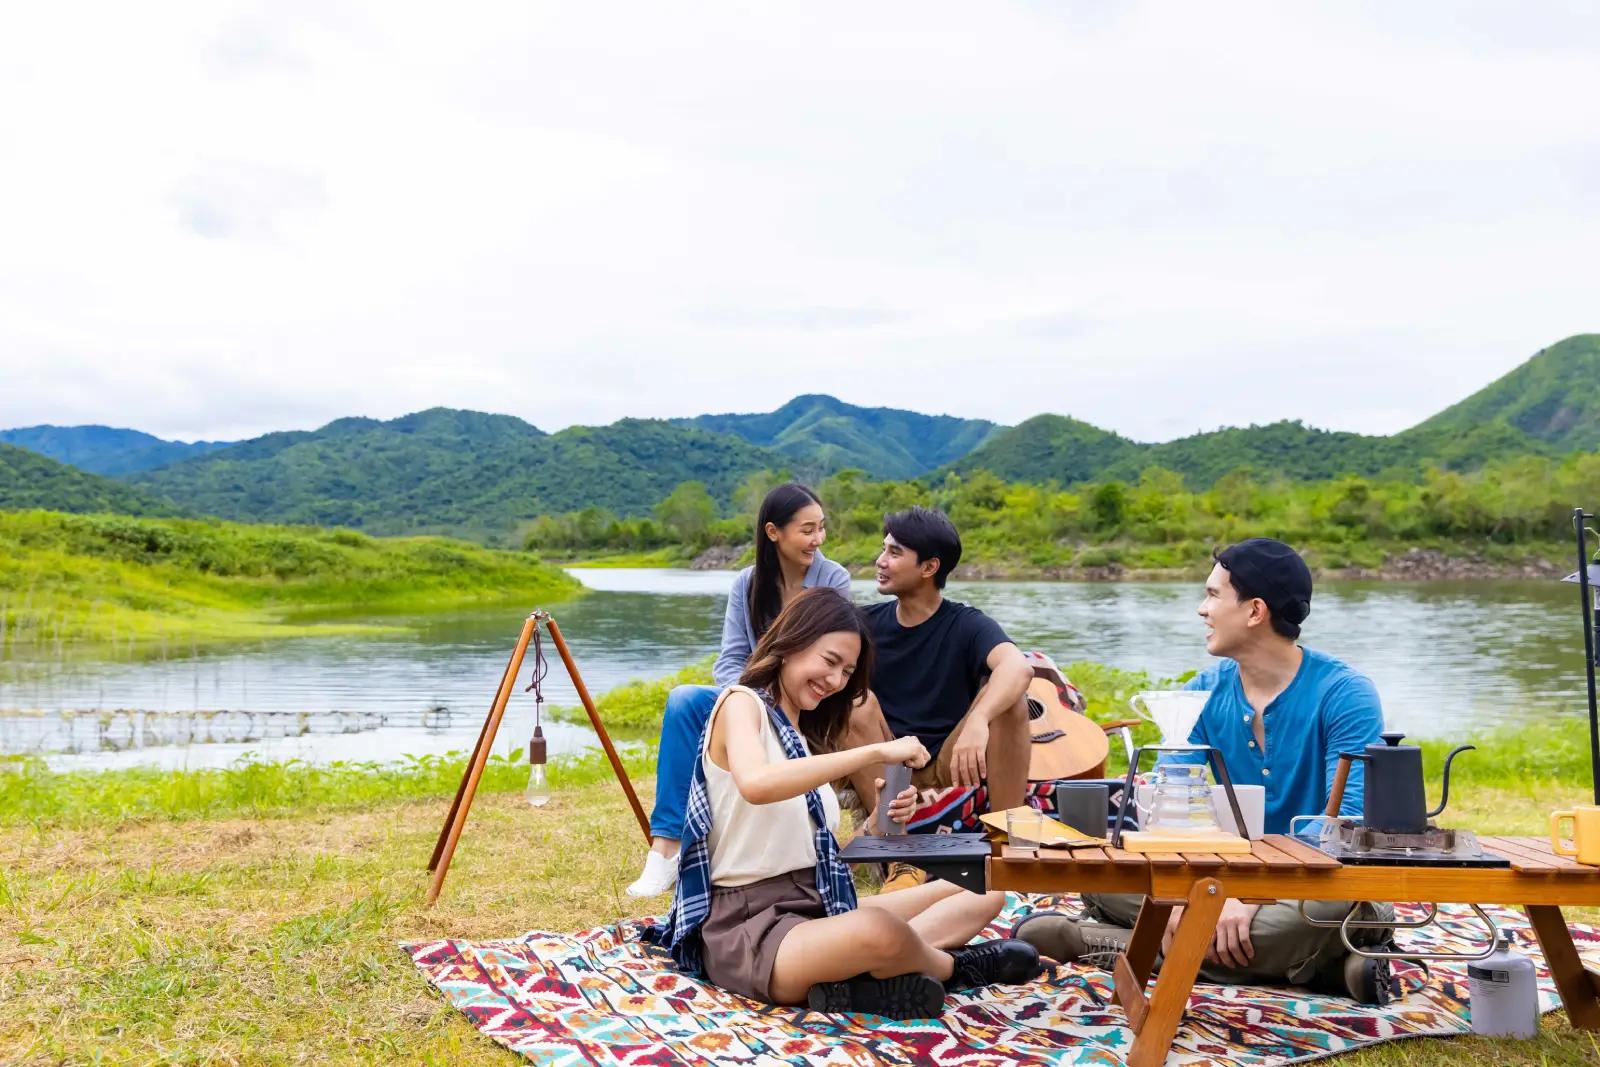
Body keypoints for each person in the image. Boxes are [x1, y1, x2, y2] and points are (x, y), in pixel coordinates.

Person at [1014, 538, 1398, 1003]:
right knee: (1103, 878)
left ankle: (1094, 944)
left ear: (1255, 611)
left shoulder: (1344, 694)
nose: (1201, 609)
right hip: (1223, 882)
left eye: (1213, 595)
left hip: (1319, 884)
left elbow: (1349, 827)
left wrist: (1243, 898)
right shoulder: (1202, 692)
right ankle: (1329, 967)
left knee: (1329, 910)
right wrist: (1208, 895)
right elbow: (1170, 818)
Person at [646, 588, 1041, 1017]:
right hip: (751, 929)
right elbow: (757, 784)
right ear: (792, 642)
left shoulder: (800, 738)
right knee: (877, 929)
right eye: (829, 661)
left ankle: (865, 981)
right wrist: (874, 752)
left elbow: (811, 850)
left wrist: (877, 823)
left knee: (981, 892)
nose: (835, 681)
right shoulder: (741, 705)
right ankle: (956, 967)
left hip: (814, 905)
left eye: (847, 671)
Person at [628, 482, 852, 897]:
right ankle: (665, 850)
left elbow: (829, 655)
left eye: (821, 528)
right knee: (684, 700)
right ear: (773, 532)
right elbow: (729, 660)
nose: (817, 539)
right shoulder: (747, 584)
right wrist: (751, 701)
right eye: (807, 530)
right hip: (754, 698)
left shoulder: (831, 578)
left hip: (808, 699)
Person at [840, 506, 1034, 831]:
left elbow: (1018, 667)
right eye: (883, 549)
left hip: (950, 759)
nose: (880, 560)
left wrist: (978, 721)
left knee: (1009, 701)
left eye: (894, 552)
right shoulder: (865, 623)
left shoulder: (967, 624)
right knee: (855, 705)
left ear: (929, 567)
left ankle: (1004, 840)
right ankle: (892, 846)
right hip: (888, 758)